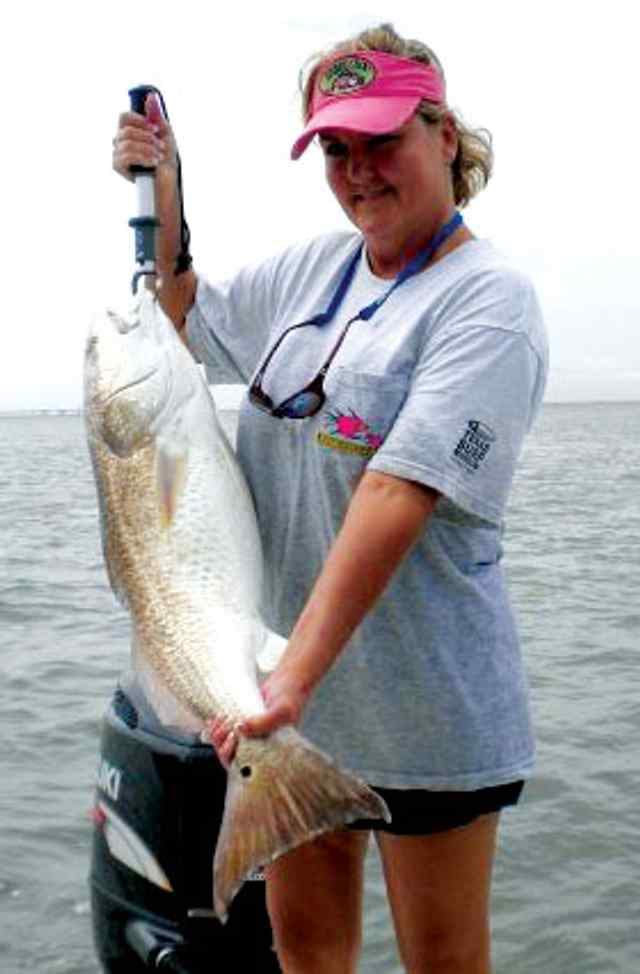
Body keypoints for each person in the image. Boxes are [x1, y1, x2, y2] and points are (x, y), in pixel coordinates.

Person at [113, 22, 548, 974]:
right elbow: (185, 314)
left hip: (421, 706)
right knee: (309, 956)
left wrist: (286, 686)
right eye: (337, 150)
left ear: (444, 134)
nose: (358, 173)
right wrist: (170, 183)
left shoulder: (488, 301)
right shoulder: (314, 271)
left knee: (444, 963)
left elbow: (398, 489)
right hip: (288, 708)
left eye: (382, 141)